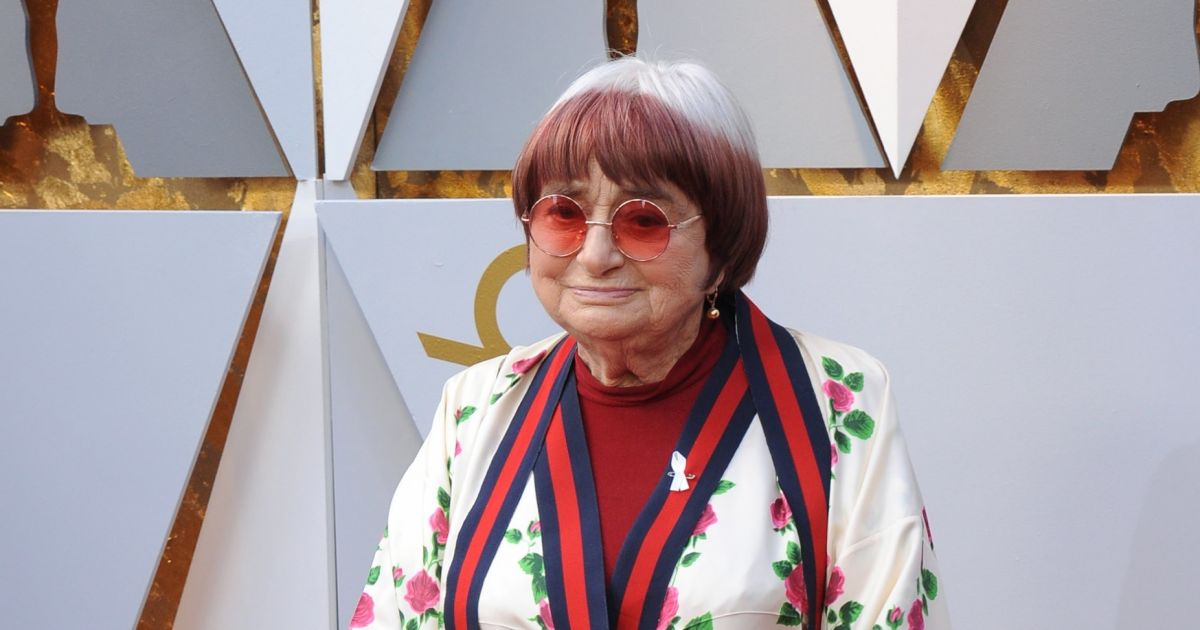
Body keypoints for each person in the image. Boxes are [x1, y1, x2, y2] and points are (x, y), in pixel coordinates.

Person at [350, 57, 948, 630]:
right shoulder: (476, 407)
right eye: (564, 214)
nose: (595, 255)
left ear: (723, 245)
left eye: (643, 222)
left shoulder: (836, 401)